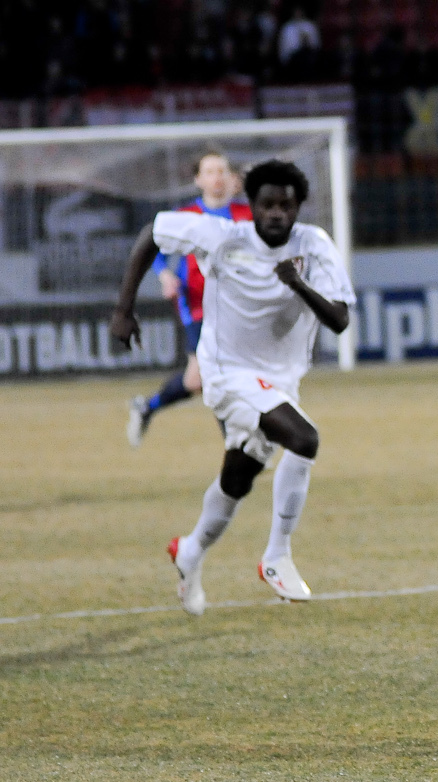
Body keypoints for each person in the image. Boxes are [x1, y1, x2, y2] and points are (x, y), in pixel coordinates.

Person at [110, 161, 353, 615]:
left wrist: (298, 284)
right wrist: (124, 310)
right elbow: (151, 234)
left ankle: (190, 551)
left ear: (298, 207)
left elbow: (339, 319)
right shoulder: (222, 236)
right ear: (252, 206)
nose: (277, 213)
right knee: (304, 439)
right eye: (267, 204)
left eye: (286, 205)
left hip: (280, 381)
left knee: (238, 478)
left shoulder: (314, 245)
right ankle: (277, 556)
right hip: (225, 373)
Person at [126, 151, 252, 448]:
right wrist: (165, 275)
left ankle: (147, 407)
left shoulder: (247, 215)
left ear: (232, 178)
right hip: (197, 305)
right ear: (198, 180)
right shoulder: (186, 216)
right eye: (210, 171)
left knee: (201, 379)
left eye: (222, 170)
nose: (217, 177)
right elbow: (153, 247)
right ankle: (239, 445)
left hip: (237, 307)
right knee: (207, 377)